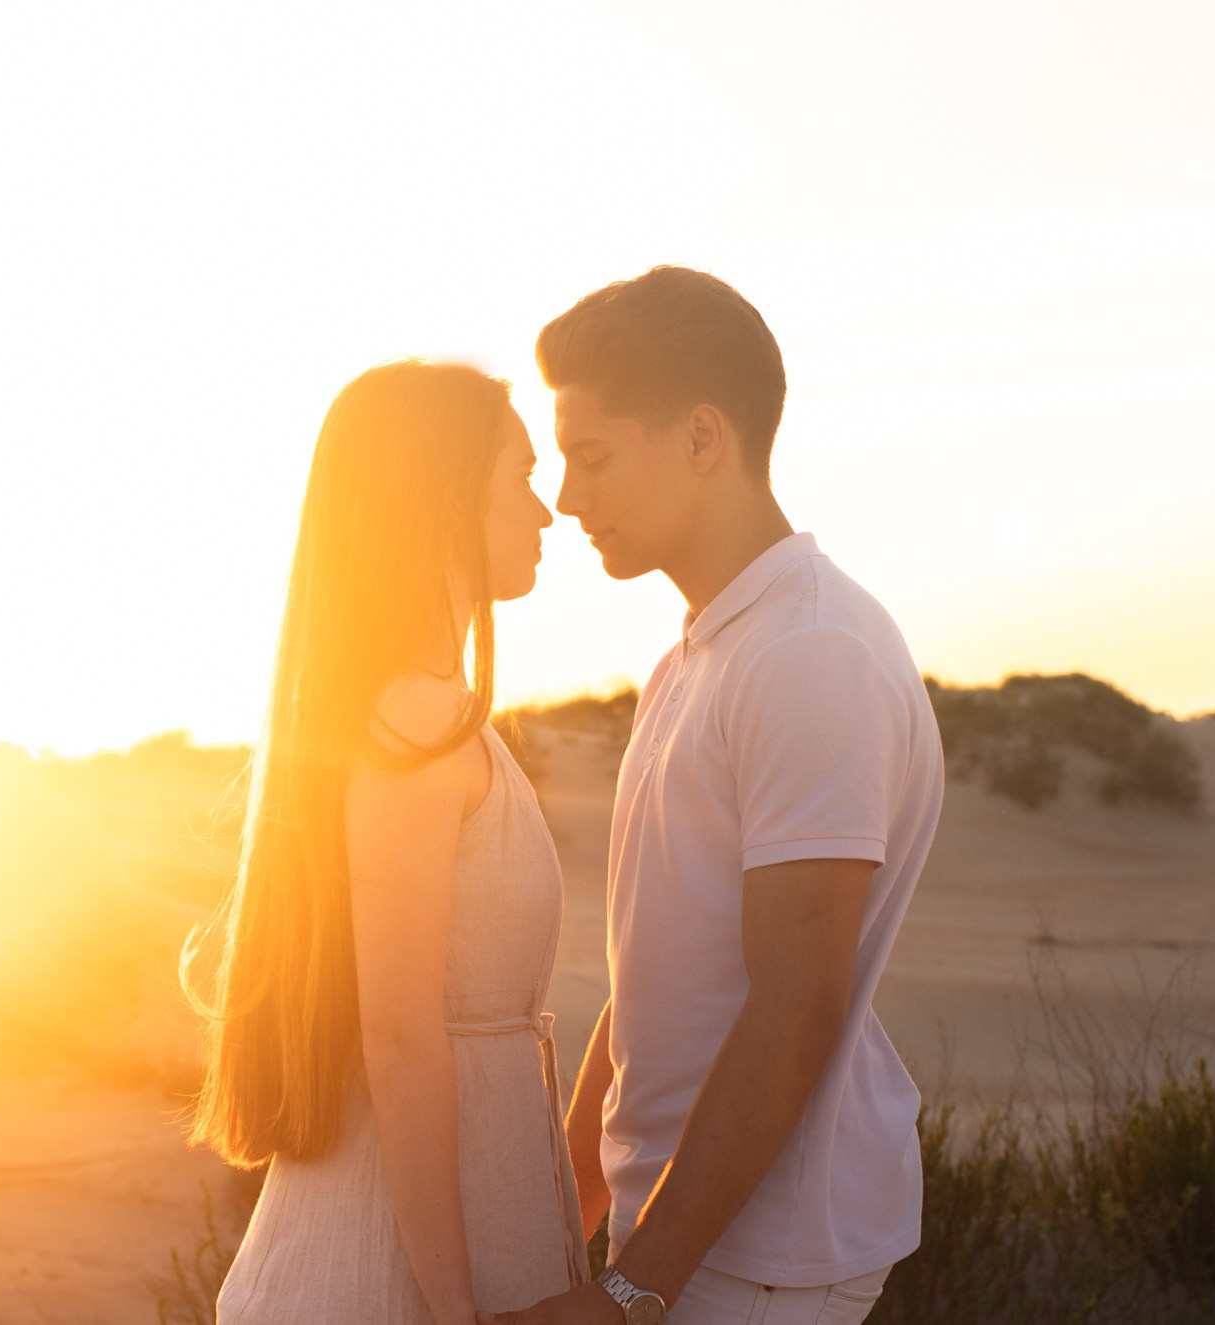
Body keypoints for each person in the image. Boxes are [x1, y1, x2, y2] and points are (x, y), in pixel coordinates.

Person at [487, 267, 945, 1325]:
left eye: (590, 455)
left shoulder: (808, 650)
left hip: (762, 1253)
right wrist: (570, 1211)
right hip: (685, 1236)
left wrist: (634, 1284)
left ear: (701, 439)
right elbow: (651, 970)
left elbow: (796, 1002)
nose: (567, 496)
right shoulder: (698, 655)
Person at [184, 359, 587, 1324]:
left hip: (447, 1243)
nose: (549, 511)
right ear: (449, 500)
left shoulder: (430, 715)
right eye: (522, 476)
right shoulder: (413, 720)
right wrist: (454, 1311)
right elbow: (402, 1042)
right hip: (382, 1273)